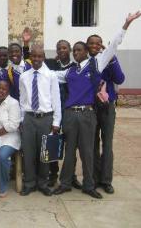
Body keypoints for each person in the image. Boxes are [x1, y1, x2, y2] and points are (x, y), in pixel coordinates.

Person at [53, 11, 141, 199]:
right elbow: (47, 75)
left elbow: (113, 46)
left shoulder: (96, 64)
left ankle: (90, 184)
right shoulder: (70, 71)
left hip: (88, 113)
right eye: (74, 51)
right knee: (70, 151)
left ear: (86, 51)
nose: (76, 53)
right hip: (70, 115)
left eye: (79, 50)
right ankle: (66, 182)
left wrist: (126, 24)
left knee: (88, 151)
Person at [19, 44, 61, 197]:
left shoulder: (51, 76)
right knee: (29, 152)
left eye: (39, 56)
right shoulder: (24, 76)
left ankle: (43, 183)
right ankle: (29, 183)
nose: (36, 59)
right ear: (30, 58)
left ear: (43, 57)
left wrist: (56, 122)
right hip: (29, 118)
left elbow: (56, 100)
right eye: (34, 56)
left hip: (46, 118)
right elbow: (22, 100)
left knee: (45, 153)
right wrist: (22, 120)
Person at [87, 34, 125, 194]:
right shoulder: (85, 61)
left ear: (102, 45)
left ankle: (106, 180)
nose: (95, 46)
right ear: (87, 45)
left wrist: (112, 58)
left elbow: (120, 79)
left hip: (107, 107)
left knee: (107, 144)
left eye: (98, 43)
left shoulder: (108, 59)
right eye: (92, 43)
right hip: (91, 106)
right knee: (93, 144)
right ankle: (94, 179)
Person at [44, 40, 81, 189]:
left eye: (64, 48)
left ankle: (71, 176)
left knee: (71, 145)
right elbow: (32, 60)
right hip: (53, 110)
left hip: (69, 110)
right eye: (59, 48)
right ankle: (52, 174)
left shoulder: (75, 67)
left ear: (70, 50)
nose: (62, 50)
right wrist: (26, 44)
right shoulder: (50, 64)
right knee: (53, 142)